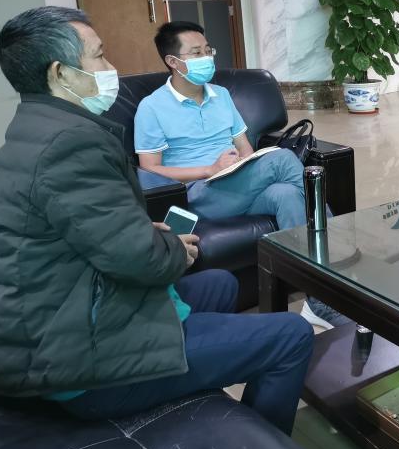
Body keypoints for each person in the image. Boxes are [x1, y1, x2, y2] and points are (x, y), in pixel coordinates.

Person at [0, 6, 313, 434]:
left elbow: (72, 232)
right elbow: (143, 259)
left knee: (221, 283)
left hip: (60, 319)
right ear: (61, 73)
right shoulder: (70, 145)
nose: (110, 67)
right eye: (99, 55)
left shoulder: (33, 132)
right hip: (74, 361)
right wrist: (167, 246)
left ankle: (200, 409)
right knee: (291, 335)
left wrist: (142, 233)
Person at [135, 21, 347, 329]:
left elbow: (244, 147)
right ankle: (343, 258)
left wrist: (245, 165)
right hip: (200, 193)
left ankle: (318, 301)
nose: (206, 57)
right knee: (282, 159)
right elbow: (149, 169)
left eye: (207, 50)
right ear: (173, 61)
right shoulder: (152, 107)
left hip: (237, 184)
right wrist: (210, 169)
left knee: (287, 194)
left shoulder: (221, 95)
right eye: (196, 52)